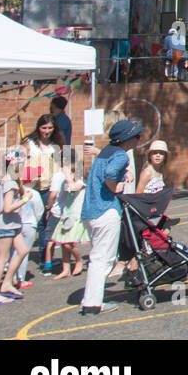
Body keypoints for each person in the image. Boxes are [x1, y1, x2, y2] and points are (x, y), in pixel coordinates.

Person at [79, 119, 145, 315]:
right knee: (104, 259)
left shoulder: (107, 151)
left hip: (90, 211)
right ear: (127, 139)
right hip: (106, 210)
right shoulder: (121, 156)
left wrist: (123, 174)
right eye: (137, 136)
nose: (138, 140)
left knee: (96, 257)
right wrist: (116, 186)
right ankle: (93, 303)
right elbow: (110, 173)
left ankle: (90, 300)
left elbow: (106, 169)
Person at [0, 149, 32, 305]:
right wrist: (25, 199)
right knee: (2, 258)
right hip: (5, 225)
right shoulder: (11, 183)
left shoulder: (4, 180)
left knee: (23, 250)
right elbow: (7, 208)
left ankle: (6, 283)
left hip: (12, 224)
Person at [24, 114, 63, 275]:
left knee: (46, 225)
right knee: (34, 224)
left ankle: (44, 258)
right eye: (43, 128)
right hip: (32, 187)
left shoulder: (56, 146)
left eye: (49, 128)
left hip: (49, 187)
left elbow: (61, 165)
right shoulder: (29, 143)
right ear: (38, 128)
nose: (46, 131)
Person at [50, 151, 88, 280]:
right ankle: (65, 269)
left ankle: (78, 260)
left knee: (67, 243)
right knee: (62, 242)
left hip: (75, 216)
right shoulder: (67, 181)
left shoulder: (81, 182)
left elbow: (73, 187)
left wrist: (66, 173)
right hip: (66, 213)